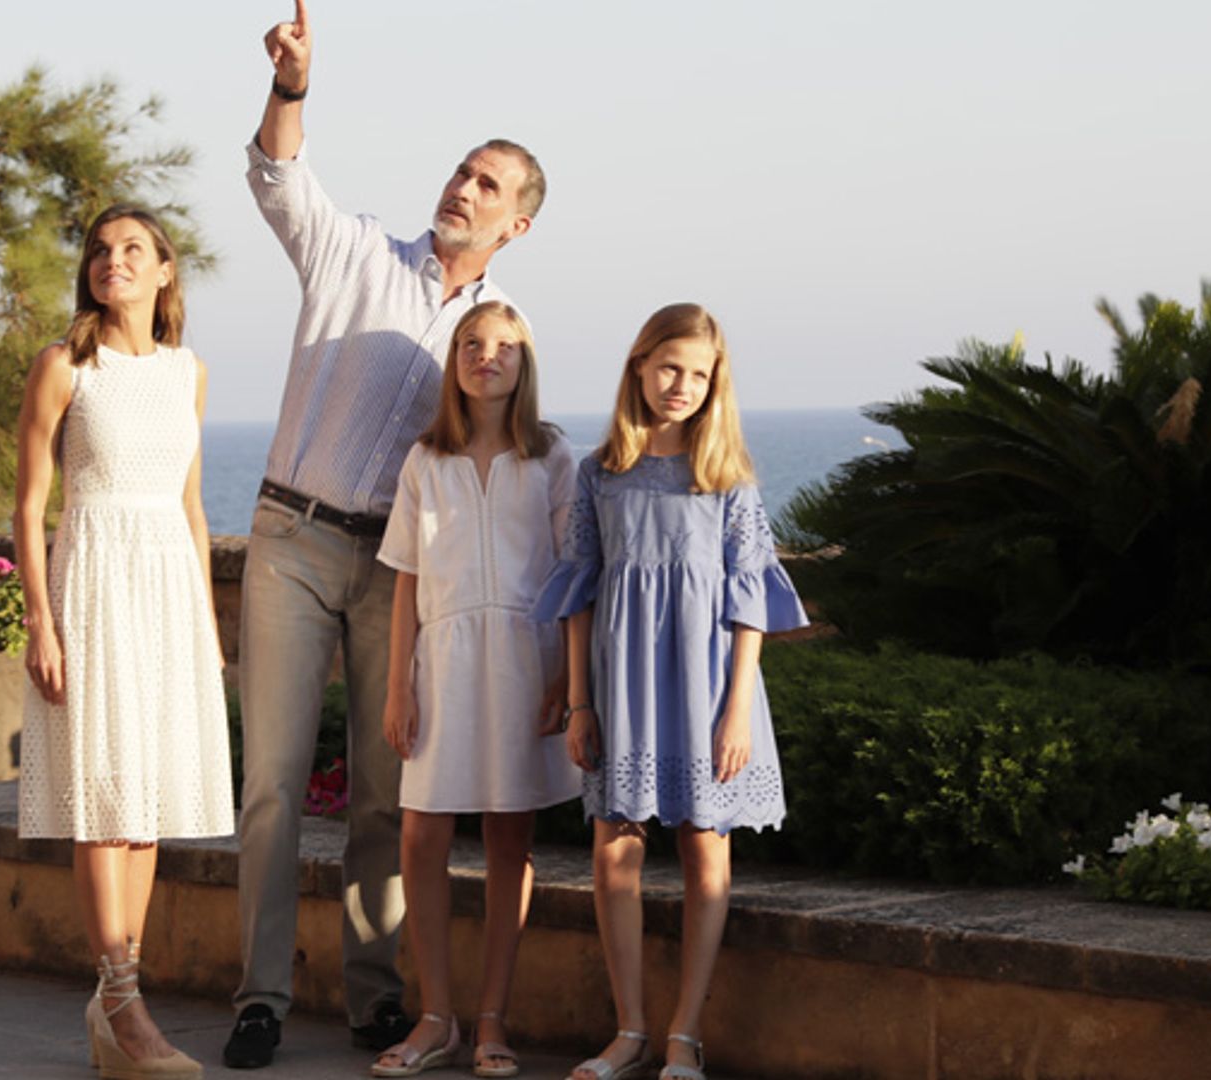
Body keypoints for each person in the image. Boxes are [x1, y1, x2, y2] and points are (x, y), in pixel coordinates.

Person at [225, 1, 549, 1070]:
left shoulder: (499, 339)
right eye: (463, 169)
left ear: (519, 224)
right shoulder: (355, 251)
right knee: (272, 778)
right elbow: (278, 179)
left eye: (489, 184)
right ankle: (262, 994)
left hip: (397, 571)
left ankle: (376, 997)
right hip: (292, 538)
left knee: (384, 790)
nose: (464, 186)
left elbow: (514, 465)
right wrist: (294, 85)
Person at [534, 304, 808, 1080]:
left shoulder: (727, 478)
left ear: (715, 381)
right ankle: (629, 1032)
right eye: (668, 367)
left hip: (711, 686)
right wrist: (581, 702)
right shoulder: (601, 473)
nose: (680, 385)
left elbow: (749, 603)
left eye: (697, 373)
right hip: (622, 684)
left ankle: (684, 1034)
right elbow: (580, 596)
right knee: (614, 845)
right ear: (639, 366)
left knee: (702, 846)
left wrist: (736, 711)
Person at [14, 204, 234, 1080]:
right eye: (101, 251)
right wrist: (41, 621)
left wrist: (207, 627)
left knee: (145, 806)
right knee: (106, 795)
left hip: (167, 591)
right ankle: (122, 1001)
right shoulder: (64, 367)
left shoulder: (189, 373)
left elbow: (189, 504)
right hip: (94, 582)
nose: (115, 262)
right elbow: (30, 507)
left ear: (165, 270)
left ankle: (119, 1003)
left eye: (134, 250)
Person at [368, 301, 580, 1078]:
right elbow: (406, 581)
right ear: (453, 359)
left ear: (525, 364)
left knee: (507, 838)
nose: (484, 356)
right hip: (444, 660)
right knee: (421, 833)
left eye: (502, 347)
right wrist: (398, 686)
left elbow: (571, 575)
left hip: (526, 661)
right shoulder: (427, 459)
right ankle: (435, 1015)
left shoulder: (553, 456)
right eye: (470, 344)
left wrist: (565, 674)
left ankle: (492, 1019)